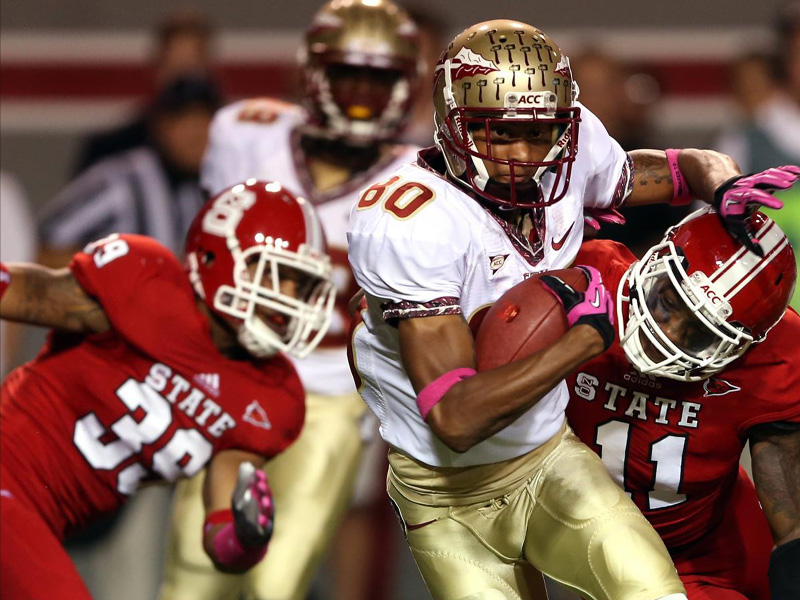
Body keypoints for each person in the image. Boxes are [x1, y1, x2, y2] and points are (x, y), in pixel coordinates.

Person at [347, 18, 797, 600]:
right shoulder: (412, 222)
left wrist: (723, 185)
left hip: (546, 453)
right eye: (500, 133)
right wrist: (580, 343)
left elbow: (675, 168)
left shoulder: (572, 146)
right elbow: (455, 421)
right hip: (444, 487)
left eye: (540, 133)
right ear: (454, 123)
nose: (524, 155)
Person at [158, 2, 421, 600]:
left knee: (276, 582)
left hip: (330, 399)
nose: (362, 97)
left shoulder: (419, 178)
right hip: (235, 376)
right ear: (314, 73)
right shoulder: (246, 133)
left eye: (379, 81)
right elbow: (204, 256)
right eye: (349, 76)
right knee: (192, 576)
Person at [0, 180, 335, 600]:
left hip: (47, 521)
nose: (288, 297)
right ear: (216, 256)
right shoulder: (146, 283)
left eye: (300, 284)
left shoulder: (272, 396)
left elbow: (221, 536)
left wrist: (247, 538)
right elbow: (32, 294)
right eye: (276, 274)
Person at [564, 206, 800, 599]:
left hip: (697, 559)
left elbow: (792, 524)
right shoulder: (586, 280)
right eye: (669, 302)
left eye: (701, 334)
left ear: (746, 343)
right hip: (562, 541)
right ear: (655, 262)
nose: (668, 335)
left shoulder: (775, 357)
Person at [38, 74, 222, 268]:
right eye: (182, 121)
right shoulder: (118, 180)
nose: (195, 134)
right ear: (159, 126)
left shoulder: (209, 186)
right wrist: (109, 277)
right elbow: (47, 247)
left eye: (204, 121)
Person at [72, 7, 218, 175]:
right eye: (176, 67)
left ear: (210, 70)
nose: (184, 79)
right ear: (157, 69)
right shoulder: (111, 149)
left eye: (193, 67)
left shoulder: (234, 145)